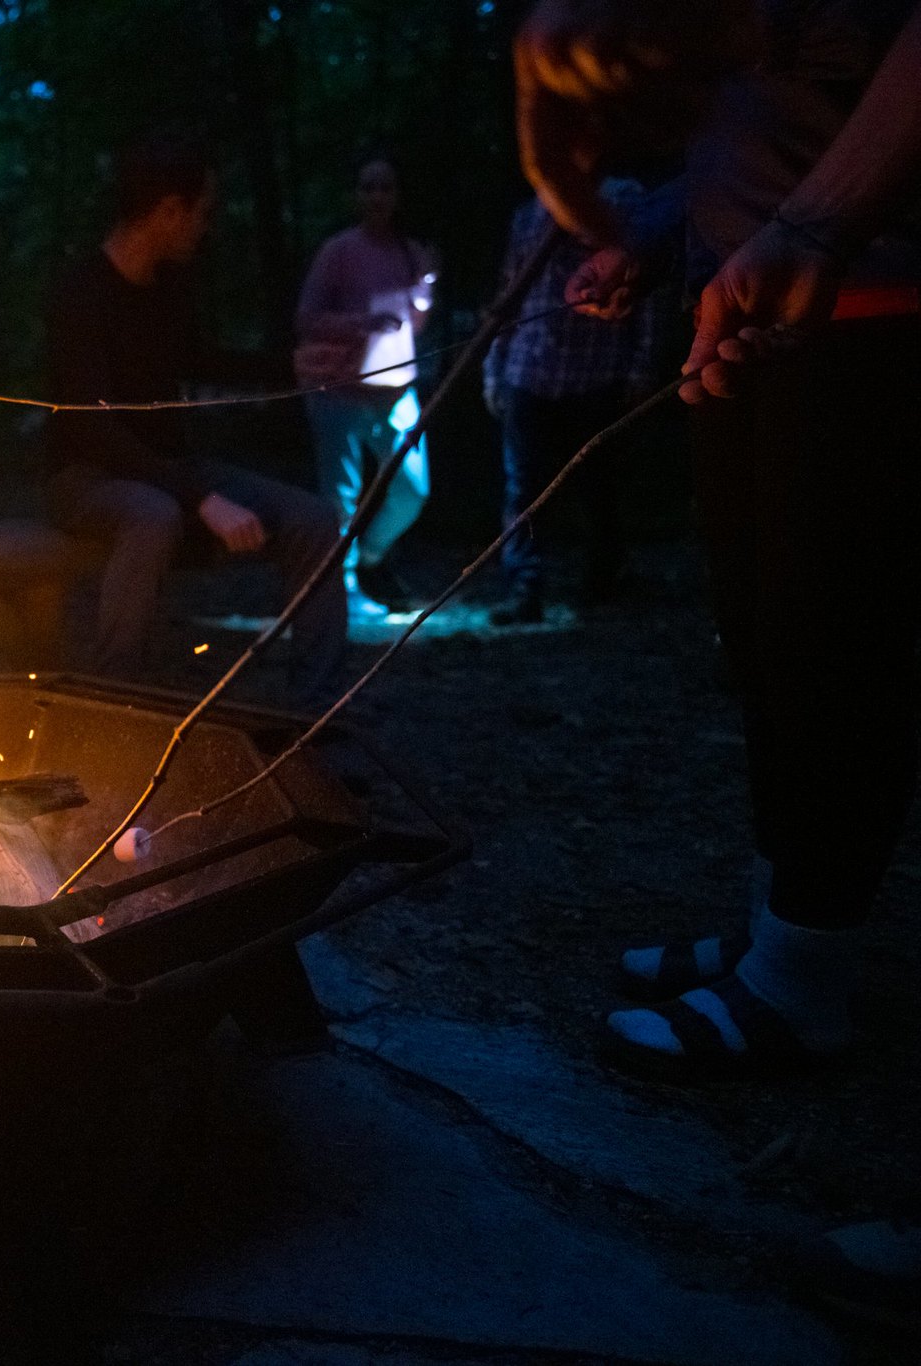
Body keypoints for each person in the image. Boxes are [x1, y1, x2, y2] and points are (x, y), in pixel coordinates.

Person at [515, 0, 921, 1317]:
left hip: (874, 283)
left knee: (830, 640)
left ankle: (800, 983)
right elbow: (779, 88)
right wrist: (662, 219)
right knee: (760, 632)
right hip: (749, 277)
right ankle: (778, 932)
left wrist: (818, 218)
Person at [45, 137, 346, 698]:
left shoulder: (170, 285)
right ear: (167, 211)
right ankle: (118, 696)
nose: (204, 226)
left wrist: (292, 366)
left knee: (314, 520)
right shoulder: (79, 294)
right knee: (155, 514)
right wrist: (200, 497)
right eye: (200, 211)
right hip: (90, 478)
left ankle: (317, 709)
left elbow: (200, 358)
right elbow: (91, 428)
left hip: (174, 471)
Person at [481, 177, 671, 624]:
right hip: (530, 370)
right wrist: (494, 366)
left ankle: (603, 580)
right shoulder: (532, 212)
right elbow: (510, 293)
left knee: (597, 484)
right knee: (524, 487)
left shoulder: (624, 202)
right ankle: (525, 586)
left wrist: (642, 366)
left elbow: (646, 291)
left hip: (596, 370)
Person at [295, 157, 439, 617]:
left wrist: (425, 290)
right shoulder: (338, 251)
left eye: (386, 188)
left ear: (397, 196)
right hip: (340, 391)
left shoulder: (412, 253)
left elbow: (416, 323)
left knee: (412, 489)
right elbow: (306, 319)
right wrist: (362, 323)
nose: (377, 197)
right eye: (368, 187)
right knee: (340, 496)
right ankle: (346, 589)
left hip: (397, 391)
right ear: (357, 196)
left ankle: (370, 560)